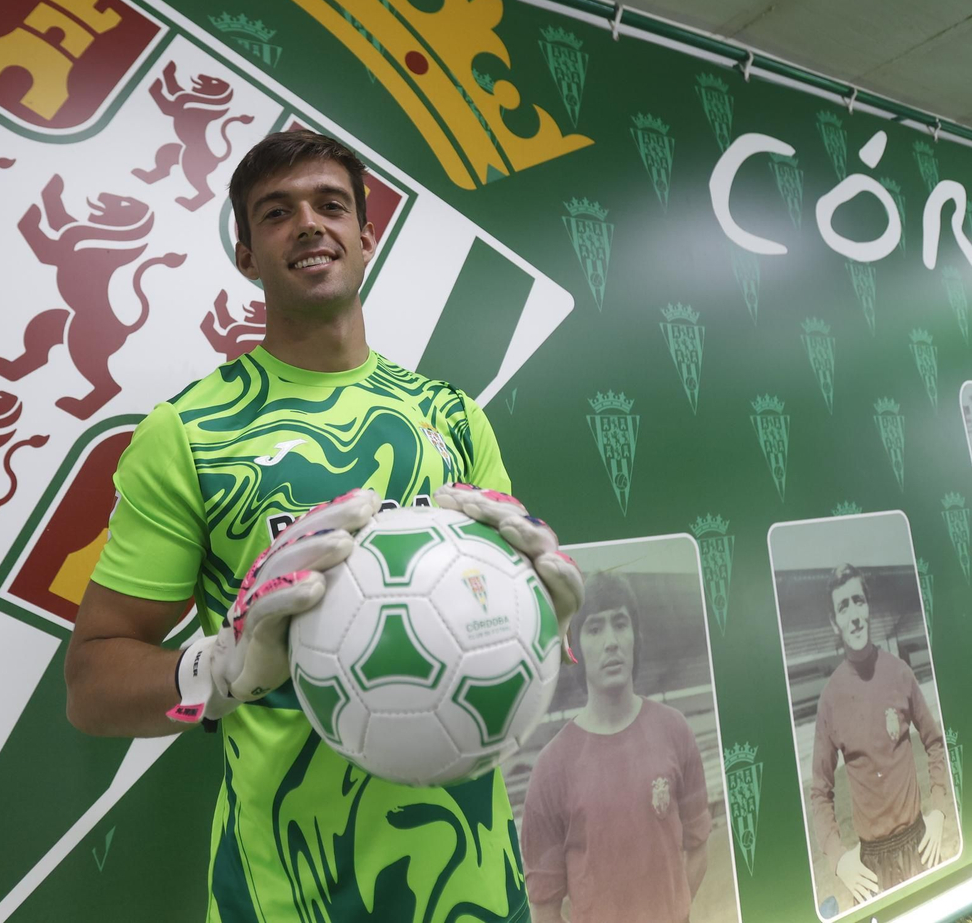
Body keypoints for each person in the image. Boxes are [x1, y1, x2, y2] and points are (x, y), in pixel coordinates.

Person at [61, 129, 583, 923]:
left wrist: (546, 623)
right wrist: (222, 668)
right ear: (246, 256)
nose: (309, 224)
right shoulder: (190, 433)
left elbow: (506, 626)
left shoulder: (452, 417)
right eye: (277, 213)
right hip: (285, 897)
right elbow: (92, 685)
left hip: (479, 889)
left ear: (366, 239)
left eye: (331, 205)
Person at [521, 573, 711, 923]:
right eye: (594, 628)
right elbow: (544, 909)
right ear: (574, 647)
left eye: (619, 624)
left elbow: (698, 845)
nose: (611, 641)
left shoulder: (674, 730)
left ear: (635, 638)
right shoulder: (551, 769)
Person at [808, 566, 953, 908]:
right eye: (843, 607)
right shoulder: (830, 699)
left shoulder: (900, 673)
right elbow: (819, 792)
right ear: (834, 623)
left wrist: (939, 810)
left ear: (868, 608)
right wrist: (839, 857)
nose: (854, 615)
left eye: (858, 601)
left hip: (920, 843)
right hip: (870, 865)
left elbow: (934, 743)